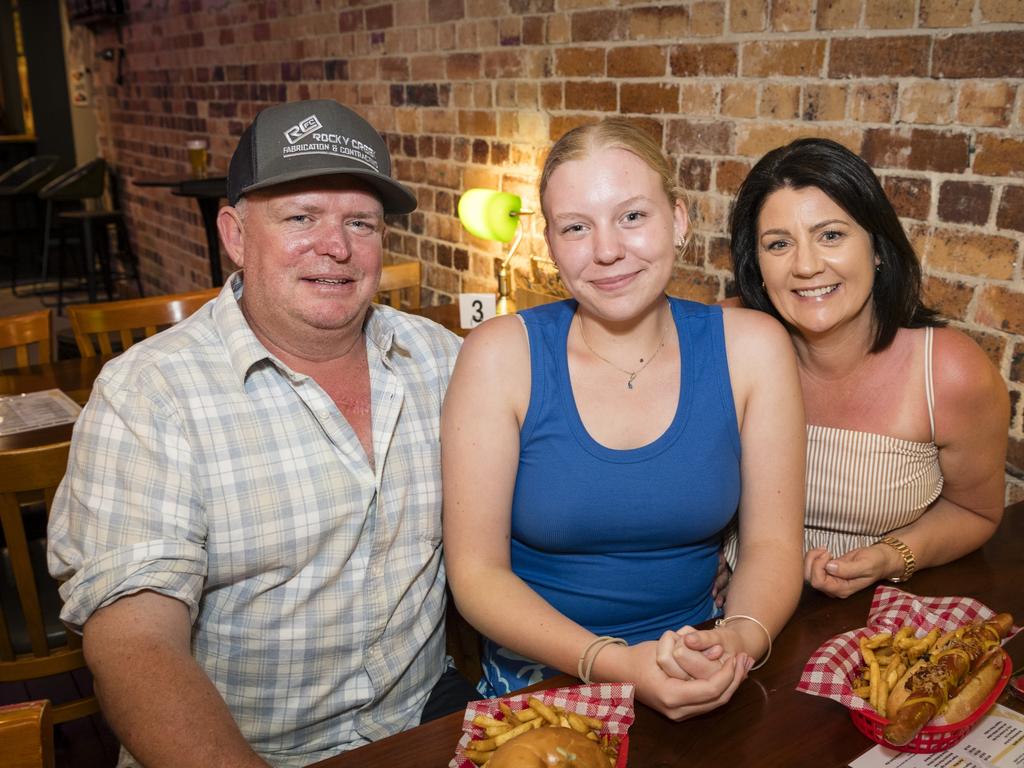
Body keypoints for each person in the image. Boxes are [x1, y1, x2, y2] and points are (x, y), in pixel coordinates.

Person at [48, 100, 474, 767]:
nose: (336, 247)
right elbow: (134, 641)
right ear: (236, 234)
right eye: (301, 217)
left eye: (359, 222)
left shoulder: (442, 360)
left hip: (416, 722)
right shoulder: (149, 394)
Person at [441, 118, 806, 721]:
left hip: (696, 662)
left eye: (632, 216)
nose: (606, 249)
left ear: (680, 221)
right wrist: (613, 664)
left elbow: (771, 545)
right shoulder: (500, 355)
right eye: (576, 227)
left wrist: (737, 641)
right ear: (552, 244)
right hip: (542, 681)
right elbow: (476, 575)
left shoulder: (754, 348)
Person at [728, 137, 1009, 599]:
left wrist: (892, 555)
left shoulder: (948, 372)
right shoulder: (727, 338)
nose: (806, 265)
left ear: (877, 248)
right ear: (756, 265)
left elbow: (974, 511)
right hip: (730, 607)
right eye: (778, 244)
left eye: (831, 235)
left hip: (867, 617)